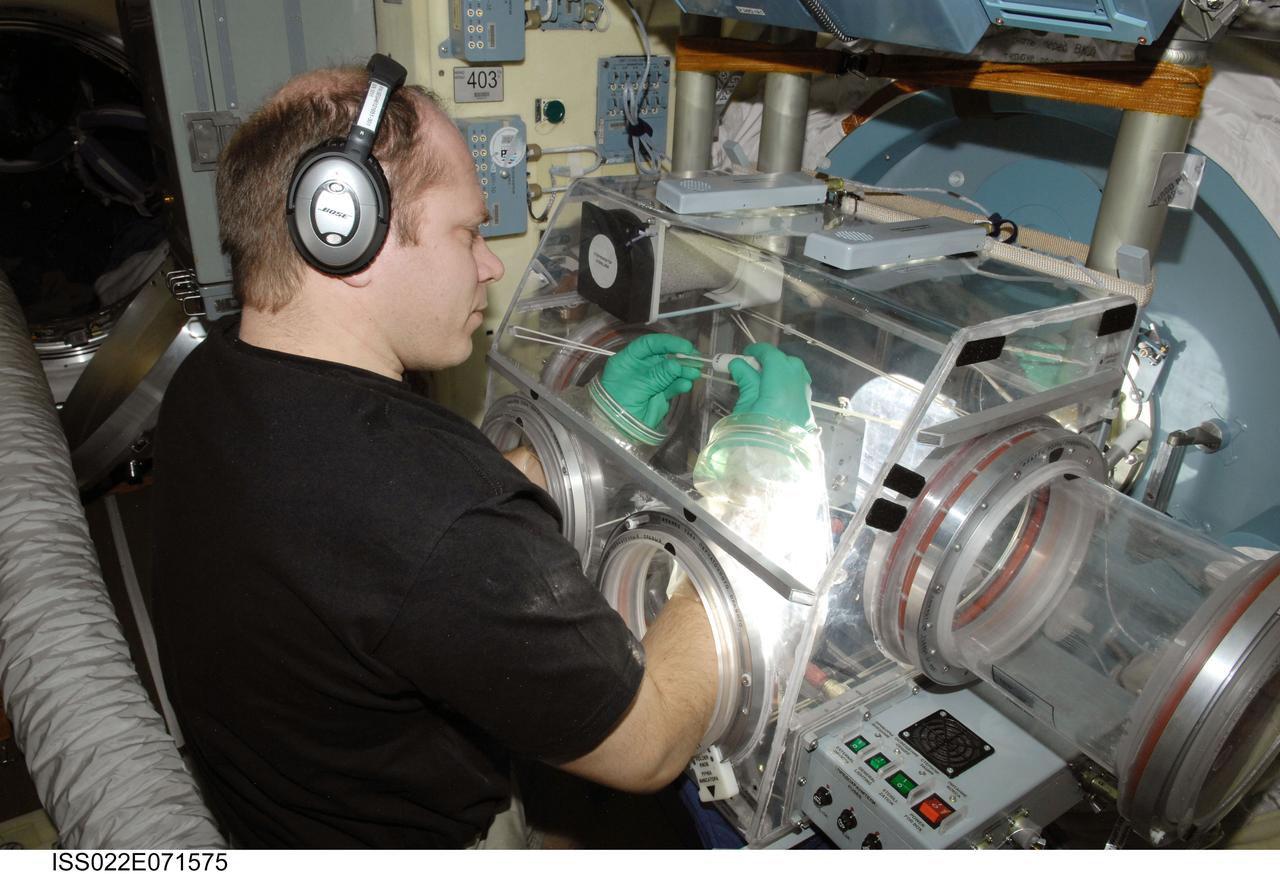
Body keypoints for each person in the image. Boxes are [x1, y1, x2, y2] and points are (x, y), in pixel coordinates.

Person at [151, 61, 726, 849]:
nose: (490, 264)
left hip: (274, 811)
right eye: (468, 230)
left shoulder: (209, 383)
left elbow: (392, 551)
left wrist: (604, 424)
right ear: (346, 230)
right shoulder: (433, 514)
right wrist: (740, 521)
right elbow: (652, 745)